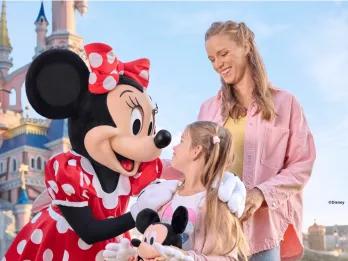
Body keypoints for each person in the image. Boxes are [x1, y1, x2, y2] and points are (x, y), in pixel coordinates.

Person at [201, 21, 316, 260]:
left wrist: (261, 193)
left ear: (246, 46)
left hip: (263, 232)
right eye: (212, 59)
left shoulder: (286, 103)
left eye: (223, 54)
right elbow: (196, 165)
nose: (218, 64)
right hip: (216, 233)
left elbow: (302, 164)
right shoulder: (208, 109)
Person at [104, 121, 249, 261]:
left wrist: (187, 258)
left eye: (181, 141)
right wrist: (134, 254)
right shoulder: (167, 197)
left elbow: (230, 258)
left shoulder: (216, 205)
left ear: (196, 151)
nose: (174, 148)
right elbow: (155, 247)